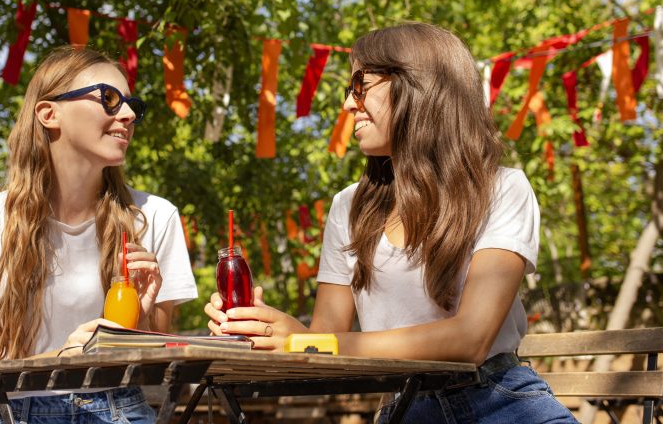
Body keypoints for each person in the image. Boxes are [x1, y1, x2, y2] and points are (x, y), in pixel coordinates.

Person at [205, 23, 577, 423]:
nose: (348, 104)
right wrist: (271, 330)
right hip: (405, 408)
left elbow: (471, 338)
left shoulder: (502, 188)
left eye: (359, 85)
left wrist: (307, 342)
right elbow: (327, 334)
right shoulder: (348, 206)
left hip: (502, 402)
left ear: (417, 87)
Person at [0, 46, 198, 424]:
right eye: (110, 99)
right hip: (17, 412)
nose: (130, 114)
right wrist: (62, 362)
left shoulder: (154, 216)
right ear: (50, 114)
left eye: (131, 104)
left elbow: (157, 371)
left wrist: (142, 324)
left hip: (124, 410)